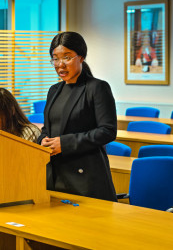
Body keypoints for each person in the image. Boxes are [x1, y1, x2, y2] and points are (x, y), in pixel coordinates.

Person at [38, 31, 117, 201]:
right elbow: (48, 128)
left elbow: (108, 131)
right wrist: (43, 140)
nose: (60, 64)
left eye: (67, 57)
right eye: (55, 58)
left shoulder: (97, 88)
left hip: (85, 178)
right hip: (55, 174)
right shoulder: (54, 90)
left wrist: (64, 143)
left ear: (81, 57)